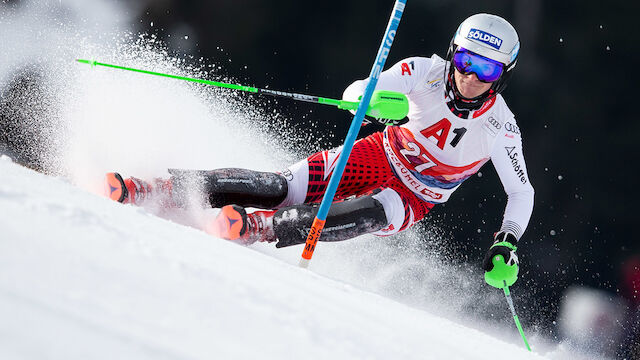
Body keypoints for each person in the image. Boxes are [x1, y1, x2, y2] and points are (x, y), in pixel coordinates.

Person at [105, 13, 534, 288]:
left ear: (503, 75)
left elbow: (521, 192)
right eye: (466, 62)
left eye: (487, 69)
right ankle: (159, 188)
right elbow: (357, 90)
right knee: (283, 186)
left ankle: (259, 228)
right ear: (454, 54)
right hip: (380, 153)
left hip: (415, 196)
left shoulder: (501, 127)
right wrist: (373, 101)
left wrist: (507, 242)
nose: (471, 77)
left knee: (372, 210)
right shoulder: (424, 71)